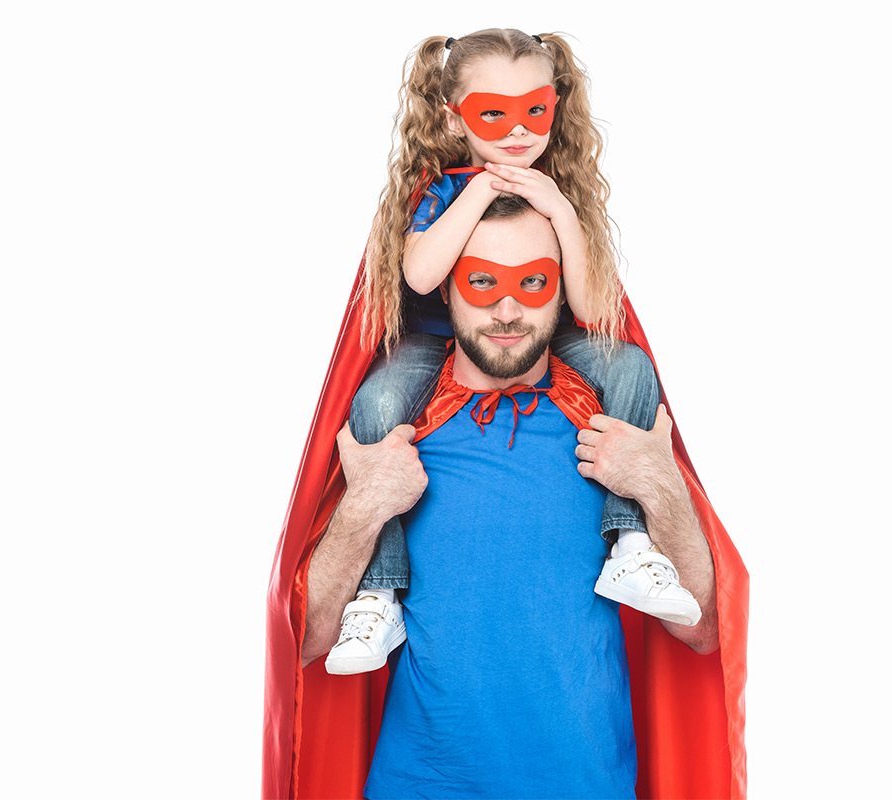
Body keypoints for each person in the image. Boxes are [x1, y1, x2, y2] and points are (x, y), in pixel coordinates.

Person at [302, 197, 719, 798]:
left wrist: (658, 483)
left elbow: (703, 631)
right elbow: (312, 641)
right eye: (480, 281)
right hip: (420, 783)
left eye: (532, 282)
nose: (506, 309)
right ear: (445, 289)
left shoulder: (612, 428)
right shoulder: (393, 431)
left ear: (565, 288)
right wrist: (365, 503)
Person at [328, 28, 699, 677]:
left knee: (630, 367)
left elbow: (588, 309)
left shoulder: (555, 189)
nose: (519, 131)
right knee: (377, 401)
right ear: (453, 116)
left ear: (556, 104)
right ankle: (380, 589)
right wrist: (477, 187)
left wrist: (556, 209)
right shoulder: (442, 189)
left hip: (544, 333)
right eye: (493, 113)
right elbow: (419, 277)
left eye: (536, 111)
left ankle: (630, 541)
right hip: (436, 342)